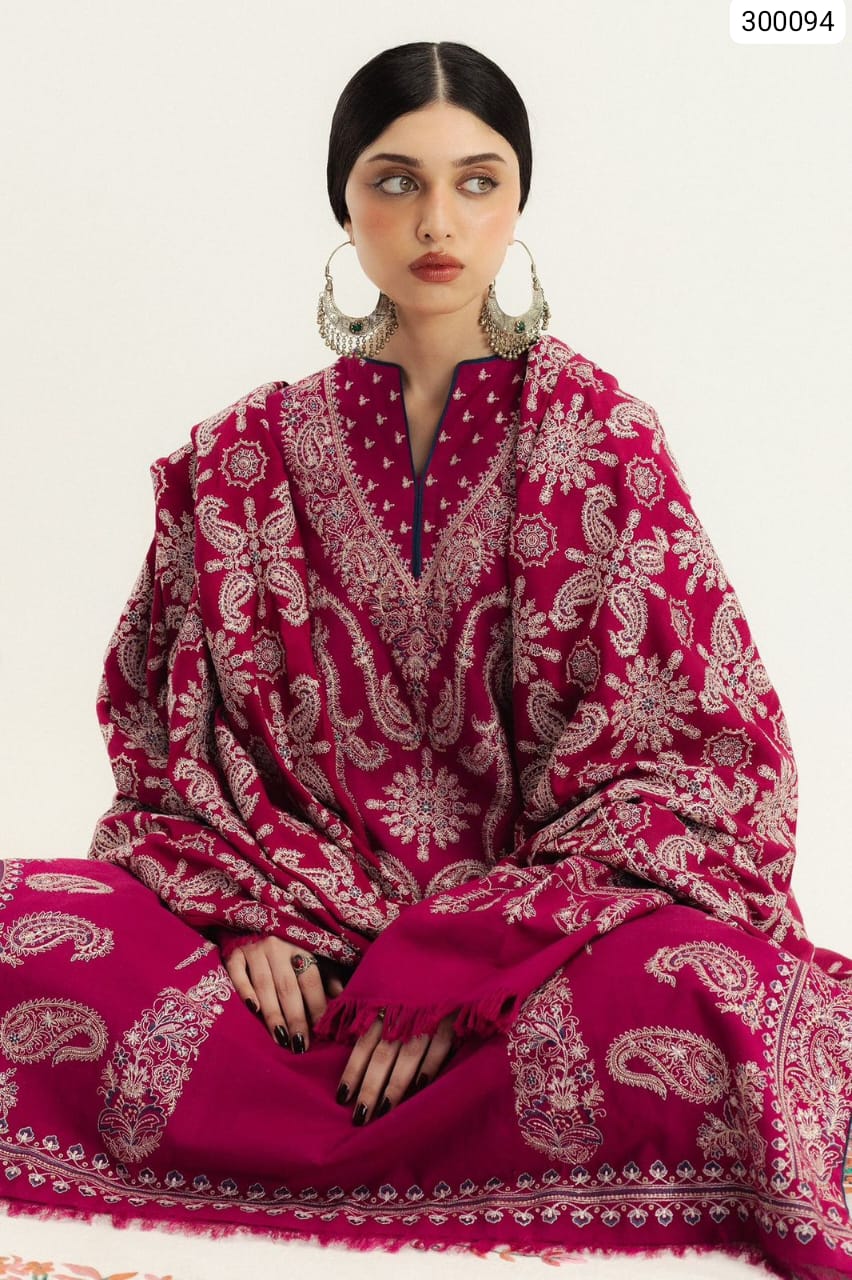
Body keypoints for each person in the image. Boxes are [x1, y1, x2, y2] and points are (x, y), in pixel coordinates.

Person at [0, 40, 850, 1279]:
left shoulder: (602, 440)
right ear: (344, 200)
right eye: (396, 181)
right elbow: (162, 736)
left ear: (519, 200)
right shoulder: (242, 453)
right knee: (22, 929)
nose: (438, 220)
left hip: (535, 966)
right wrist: (242, 909)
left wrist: (473, 956)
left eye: (477, 180)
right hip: (289, 950)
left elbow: (703, 761)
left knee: (716, 994)